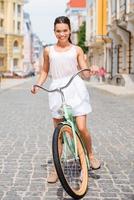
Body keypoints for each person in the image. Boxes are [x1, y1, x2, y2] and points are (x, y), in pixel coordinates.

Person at [31, 16, 101, 183]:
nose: (61, 34)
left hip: (75, 88)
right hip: (57, 90)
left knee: (82, 128)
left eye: (64, 30)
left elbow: (84, 72)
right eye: (58, 31)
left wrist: (91, 69)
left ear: (69, 31)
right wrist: (37, 85)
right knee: (59, 134)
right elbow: (44, 71)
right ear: (54, 32)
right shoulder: (48, 50)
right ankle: (57, 169)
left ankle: (90, 155)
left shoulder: (77, 50)